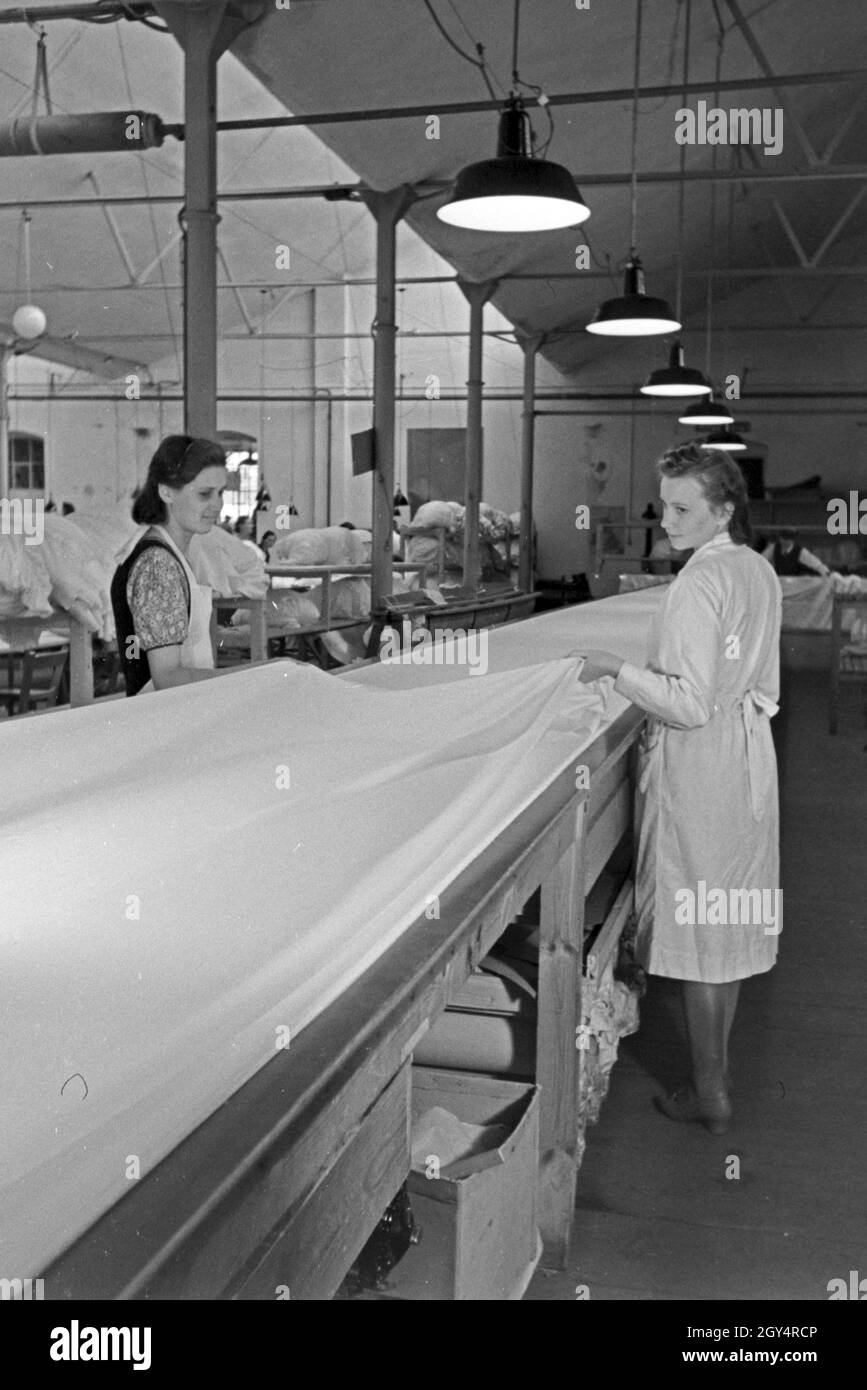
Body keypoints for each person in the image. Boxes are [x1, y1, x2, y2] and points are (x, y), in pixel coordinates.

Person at [576, 443, 782, 1134]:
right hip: (748, 760)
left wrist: (615, 670)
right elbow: (766, 689)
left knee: (697, 935)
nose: (666, 519)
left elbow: (688, 704)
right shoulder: (756, 570)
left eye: (682, 507)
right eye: (664, 504)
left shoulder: (697, 583)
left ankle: (709, 1091)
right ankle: (713, 1081)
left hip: (700, 765)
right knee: (724, 925)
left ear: (724, 508)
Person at [111, 435, 227, 695]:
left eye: (221, 493)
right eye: (205, 494)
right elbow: (167, 677)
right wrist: (248, 675)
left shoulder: (170, 553)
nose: (218, 504)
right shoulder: (157, 564)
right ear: (166, 492)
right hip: (163, 717)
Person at [762, 527, 830, 577]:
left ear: (792, 540)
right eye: (784, 538)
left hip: (793, 583)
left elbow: (816, 564)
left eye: (789, 538)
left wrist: (826, 573)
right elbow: (762, 559)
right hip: (779, 581)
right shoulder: (773, 548)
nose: (786, 541)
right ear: (780, 538)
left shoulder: (800, 551)